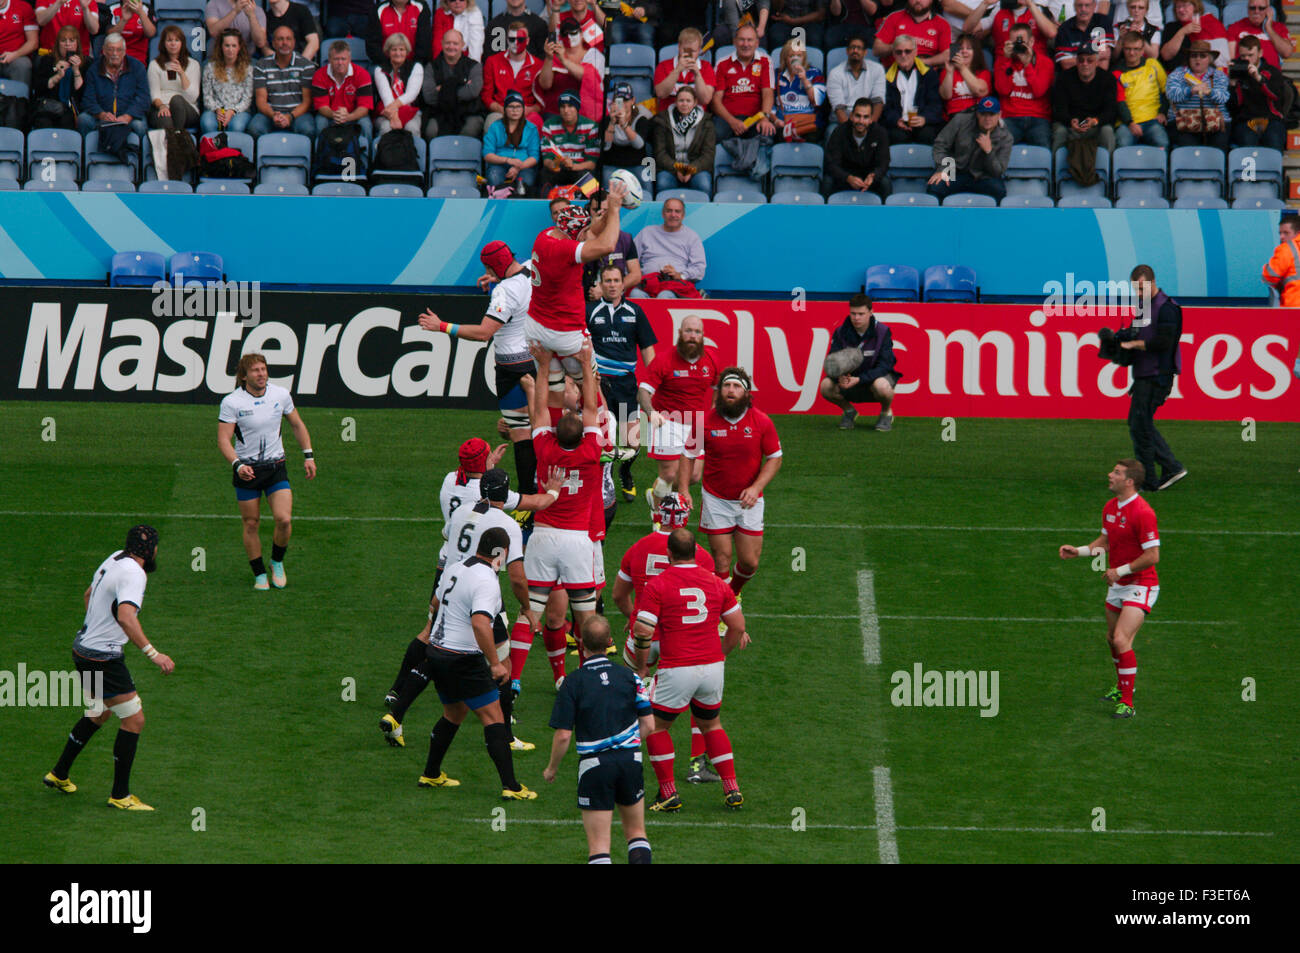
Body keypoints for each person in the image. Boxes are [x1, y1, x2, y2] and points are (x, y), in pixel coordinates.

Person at [390, 527, 539, 799]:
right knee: (493, 717)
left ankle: (431, 774)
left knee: (454, 713)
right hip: (462, 658)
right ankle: (511, 787)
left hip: (436, 652)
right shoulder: (487, 581)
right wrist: (495, 663)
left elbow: (435, 601)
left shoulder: (457, 566)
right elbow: (480, 622)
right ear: (499, 553)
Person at [43, 525, 174, 810]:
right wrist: (155, 654)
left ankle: (59, 773)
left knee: (100, 712)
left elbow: (89, 595)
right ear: (149, 550)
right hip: (103, 657)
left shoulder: (115, 558)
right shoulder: (135, 574)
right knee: (134, 720)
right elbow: (127, 617)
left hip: (83, 649)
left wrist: (97, 629)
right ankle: (120, 795)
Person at [632, 527, 750, 811]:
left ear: (668, 553)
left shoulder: (658, 585)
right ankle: (732, 788)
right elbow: (738, 626)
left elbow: (643, 629)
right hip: (711, 667)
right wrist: (721, 655)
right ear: (697, 552)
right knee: (712, 724)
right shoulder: (716, 583)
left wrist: (641, 666)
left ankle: (669, 793)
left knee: (657, 728)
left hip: (677, 668)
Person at [422, 241, 539, 494]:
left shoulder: (505, 291)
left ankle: (528, 500)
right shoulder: (531, 269)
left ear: (493, 265)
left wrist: (442, 326)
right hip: (537, 358)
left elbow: (484, 333)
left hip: (512, 367)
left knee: (521, 435)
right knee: (543, 428)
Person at [523, 342, 606, 688]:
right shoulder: (592, 445)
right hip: (580, 537)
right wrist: (587, 366)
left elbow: (541, 410)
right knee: (581, 612)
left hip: (547, 534)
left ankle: (512, 680)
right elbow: (589, 407)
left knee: (535, 611)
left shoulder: (543, 446)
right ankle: (586, 676)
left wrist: (542, 368)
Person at [543, 615, 654, 864]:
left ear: (582, 644)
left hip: (594, 766)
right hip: (630, 761)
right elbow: (649, 724)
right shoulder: (630, 677)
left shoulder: (572, 683)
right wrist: (627, 746)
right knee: (636, 833)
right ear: (610, 642)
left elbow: (563, 736)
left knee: (599, 846)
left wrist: (551, 768)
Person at [1058, 459, 1161, 719]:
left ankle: (1128, 703)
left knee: (1120, 639)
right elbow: (1104, 541)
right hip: (1117, 585)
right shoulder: (1111, 507)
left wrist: (1121, 570)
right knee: (1111, 638)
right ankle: (1120, 687)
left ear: (1129, 481)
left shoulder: (1143, 512)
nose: (1109, 475)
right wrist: (1079, 552)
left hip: (1141, 584)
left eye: (1116, 472)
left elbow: (1153, 555)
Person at [678, 365, 781, 602]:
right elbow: (688, 455)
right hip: (716, 499)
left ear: (746, 393)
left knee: (749, 562)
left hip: (749, 501)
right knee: (722, 558)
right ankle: (726, 606)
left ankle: (733, 592)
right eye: (726, 385)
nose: (730, 390)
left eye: (736, 386)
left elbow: (775, 458)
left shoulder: (762, 422)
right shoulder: (704, 422)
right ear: (719, 391)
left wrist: (756, 488)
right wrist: (684, 489)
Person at [217, 352, 317, 590]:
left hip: (275, 468)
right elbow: (223, 439)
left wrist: (308, 455)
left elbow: (296, 424)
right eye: (255, 371)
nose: (261, 374)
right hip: (247, 471)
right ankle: (259, 573)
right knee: (251, 523)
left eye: (263, 369)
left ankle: (277, 562)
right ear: (244, 376)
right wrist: (237, 465)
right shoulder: (232, 402)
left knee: (284, 519)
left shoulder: (280, 395)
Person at [526, 176, 627, 385]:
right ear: (574, 234)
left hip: (538, 324)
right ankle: (600, 416)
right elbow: (607, 245)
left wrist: (601, 219)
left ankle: (553, 418)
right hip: (566, 330)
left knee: (553, 390)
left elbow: (588, 233)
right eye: (582, 234)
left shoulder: (545, 236)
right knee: (591, 384)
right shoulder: (565, 250)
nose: (585, 237)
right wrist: (616, 210)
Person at [588, 264, 657, 502]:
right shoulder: (590, 311)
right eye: (607, 280)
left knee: (633, 442)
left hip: (627, 385)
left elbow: (648, 350)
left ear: (622, 283)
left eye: (616, 280)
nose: (612, 285)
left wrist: (654, 382)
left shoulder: (635, 311)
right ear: (601, 283)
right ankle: (599, 481)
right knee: (599, 438)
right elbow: (579, 346)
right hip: (599, 384)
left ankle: (625, 473)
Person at [637, 313, 719, 514]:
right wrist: (652, 413)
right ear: (680, 333)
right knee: (671, 474)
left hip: (696, 424)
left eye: (697, 332)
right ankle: (658, 516)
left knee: (692, 477)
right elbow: (643, 392)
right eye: (688, 331)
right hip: (667, 421)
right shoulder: (664, 360)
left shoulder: (711, 359)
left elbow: (718, 386)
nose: (692, 336)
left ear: (703, 336)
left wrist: (714, 412)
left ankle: (657, 492)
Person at [1122, 264, 1186, 493]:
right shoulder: (1144, 307)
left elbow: (1164, 343)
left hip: (1159, 375)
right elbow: (1134, 331)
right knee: (1139, 423)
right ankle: (1168, 468)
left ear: (1152, 282)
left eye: (1141, 288)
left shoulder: (1168, 309)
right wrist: (1121, 340)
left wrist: (1135, 344)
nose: (1138, 294)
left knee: (1140, 424)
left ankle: (1158, 474)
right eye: (1135, 289)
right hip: (1144, 374)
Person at [820, 293, 901, 430]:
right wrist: (840, 377)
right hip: (849, 381)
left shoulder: (882, 331)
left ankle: (886, 413)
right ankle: (849, 412)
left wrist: (860, 379)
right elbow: (833, 360)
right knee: (825, 386)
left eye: (861, 314)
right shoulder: (840, 332)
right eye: (853, 313)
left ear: (871, 312)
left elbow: (886, 365)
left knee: (882, 386)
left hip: (873, 381)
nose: (856, 318)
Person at [927, 92, 1011, 198]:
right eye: (983, 114)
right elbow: (941, 144)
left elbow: (998, 171)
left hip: (984, 176)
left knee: (999, 191)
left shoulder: (1005, 137)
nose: (987, 118)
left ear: (999, 115)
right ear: (977, 113)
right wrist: (943, 169)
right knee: (935, 186)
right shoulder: (961, 120)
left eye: (992, 114)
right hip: (955, 171)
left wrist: (989, 151)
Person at [630, 198, 707, 299]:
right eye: (669, 211)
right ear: (663, 214)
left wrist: (680, 275)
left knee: (664, 295)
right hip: (648, 283)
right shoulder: (647, 232)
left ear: (683, 215)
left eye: (677, 211)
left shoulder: (692, 237)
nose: (673, 215)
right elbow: (630, 259)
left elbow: (699, 269)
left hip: (675, 286)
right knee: (635, 294)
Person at [712, 22, 777, 141]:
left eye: (750, 40)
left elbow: (768, 93)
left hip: (755, 117)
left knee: (767, 134)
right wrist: (732, 121)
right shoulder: (722, 63)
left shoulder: (765, 61)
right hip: (728, 117)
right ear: (734, 42)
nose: (746, 44)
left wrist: (764, 118)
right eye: (741, 40)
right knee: (715, 134)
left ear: (757, 43)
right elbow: (716, 99)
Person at [993, 20, 1053, 147]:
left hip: (1038, 118)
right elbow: (1003, 90)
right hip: (1011, 117)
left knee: (1044, 149)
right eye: (1014, 43)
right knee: (999, 148)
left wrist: (1027, 65)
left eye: (1021, 42)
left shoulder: (1045, 62)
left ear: (1031, 42)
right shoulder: (1002, 61)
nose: (1018, 46)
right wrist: (1006, 61)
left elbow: (1039, 91)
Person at [249, 23, 315, 137]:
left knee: (307, 129)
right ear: (273, 43)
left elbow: (307, 102)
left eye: (288, 39)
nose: (285, 43)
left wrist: (290, 116)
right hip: (270, 113)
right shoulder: (261, 65)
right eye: (280, 39)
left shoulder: (306, 65)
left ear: (294, 42)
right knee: (255, 128)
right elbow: (261, 101)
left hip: (297, 114)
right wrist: (274, 115)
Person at [78, 31, 148, 136]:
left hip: (129, 116)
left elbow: (144, 98)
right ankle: (86, 151)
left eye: (119, 50)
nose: (115, 54)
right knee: (83, 119)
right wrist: (101, 114)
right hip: (102, 116)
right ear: (104, 51)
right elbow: (88, 99)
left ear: (124, 52)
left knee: (139, 126)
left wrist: (128, 116)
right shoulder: (93, 69)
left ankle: (134, 151)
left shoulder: (137, 67)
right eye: (110, 49)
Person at [1050, 46, 1118, 153]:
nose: (1085, 64)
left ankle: (1109, 168)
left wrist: (1095, 121)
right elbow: (1059, 109)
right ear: (1076, 62)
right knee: (1060, 131)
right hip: (1071, 124)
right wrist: (1070, 121)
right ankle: (1054, 167)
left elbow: (1111, 111)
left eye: (1089, 60)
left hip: (1096, 124)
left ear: (1096, 62)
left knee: (1107, 131)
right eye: (1081, 60)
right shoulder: (1064, 78)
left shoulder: (1108, 79)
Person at [1166, 39, 1229, 151]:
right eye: (1194, 56)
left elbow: (1223, 97)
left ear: (1209, 59)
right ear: (1189, 58)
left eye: (1202, 56)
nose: (1198, 59)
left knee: (1218, 148)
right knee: (1189, 149)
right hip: (1183, 122)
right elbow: (1171, 95)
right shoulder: (1177, 73)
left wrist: (1209, 91)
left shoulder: (1219, 75)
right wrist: (1191, 90)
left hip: (1214, 123)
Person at [824, 96, 892, 198]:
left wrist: (873, 176)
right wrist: (848, 178)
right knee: (827, 182)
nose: (861, 121)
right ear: (851, 116)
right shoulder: (839, 132)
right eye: (858, 116)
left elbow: (884, 163)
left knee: (885, 183)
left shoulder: (880, 133)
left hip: (868, 180)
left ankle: (886, 214)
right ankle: (826, 213)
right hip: (845, 178)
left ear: (871, 119)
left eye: (865, 117)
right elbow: (831, 164)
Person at [651, 85, 716, 191]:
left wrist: (690, 169)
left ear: (695, 102)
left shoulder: (707, 123)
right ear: (676, 102)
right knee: (663, 183)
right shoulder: (662, 120)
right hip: (670, 168)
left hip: (696, 169)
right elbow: (660, 153)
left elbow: (708, 155)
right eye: (681, 100)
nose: (684, 104)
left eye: (688, 100)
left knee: (703, 184)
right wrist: (678, 168)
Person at [881, 35, 944, 145]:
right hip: (897, 124)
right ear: (894, 54)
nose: (903, 55)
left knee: (927, 135)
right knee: (896, 137)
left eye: (907, 51)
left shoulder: (929, 74)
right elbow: (885, 106)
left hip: (923, 122)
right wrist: (896, 120)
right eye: (899, 52)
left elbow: (935, 104)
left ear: (915, 52)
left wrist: (924, 118)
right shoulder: (886, 76)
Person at [422, 26, 484, 138]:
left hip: (468, 113)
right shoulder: (431, 66)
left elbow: (473, 91)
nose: (451, 47)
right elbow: (429, 96)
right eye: (448, 43)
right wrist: (461, 87)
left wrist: (443, 90)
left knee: (470, 131)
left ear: (462, 45)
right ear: (441, 44)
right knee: (431, 131)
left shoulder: (474, 66)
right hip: (439, 113)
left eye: (455, 43)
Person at [537, 15, 603, 118]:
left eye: (573, 33)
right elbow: (545, 85)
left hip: (585, 113)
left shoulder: (593, 55)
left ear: (581, 35)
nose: (569, 37)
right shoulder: (555, 54)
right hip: (555, 112)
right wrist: (549, 58)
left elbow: (588, 77)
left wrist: (563, 60)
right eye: (565, 34)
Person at [481, 21, 543, 130]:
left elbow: (541, 101)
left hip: (526, 112)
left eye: (520, 40)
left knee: (536, 121)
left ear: (527, 41)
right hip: (500, 111)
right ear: (506, 40)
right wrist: (503, 110)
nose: (516, 43)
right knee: (491, 123)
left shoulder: (538, 65)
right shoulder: (493, 61)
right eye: (512, 39)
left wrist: (528, 110)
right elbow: (486, 96)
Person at [583, 188, 643, 299]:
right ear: (589, 211)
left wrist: (611, 288)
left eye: (606, 210)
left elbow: (636, 275)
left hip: (615, 298)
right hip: (585, 297)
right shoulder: (580, 237)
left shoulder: (625, 238)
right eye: (596, 209)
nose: (601, 213)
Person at [1228, 34, 1285, 151]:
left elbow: (1276, 96)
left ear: (1260, 53)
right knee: (1247, 144)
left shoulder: (1272, 71)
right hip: (1246, 120)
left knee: (1274, 140)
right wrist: (1232, 84)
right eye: (1243, 56)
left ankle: (1272, 169)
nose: (1247, 59)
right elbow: (1233, 107)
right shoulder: (1238, 73)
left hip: (1270, 120)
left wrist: (1259, 78)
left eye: (1250, 55)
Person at [1113, 29, 1169, 148]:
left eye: (1136, 49)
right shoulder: (1116, 72)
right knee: (1123, 144)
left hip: (1152, 120)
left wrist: (1163, 112)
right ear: (1123, 49)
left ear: (1142, 50)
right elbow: (1119, 102)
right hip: (1126, 123)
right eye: (1128, 49)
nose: (1132, 53)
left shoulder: (1153, 64)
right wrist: (1130, 123)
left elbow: (1166, 90)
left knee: (1162, 143)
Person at [311, 39, 374, 141]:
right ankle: (321, 154)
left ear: (349, 59)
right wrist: (335, 115)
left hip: (354, 115)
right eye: (336, 59)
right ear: (330, 59)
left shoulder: (362, 74)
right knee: (320, 122)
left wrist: (348, 117)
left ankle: (366, 156)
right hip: (330, 115)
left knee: (365, 124)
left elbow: (364, 107)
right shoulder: (319, 75)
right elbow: (321, 107)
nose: (340, 63)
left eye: (343, 59)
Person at [541, 88, 599, 191]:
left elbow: (592, 163)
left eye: (570, 106)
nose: (566, 110)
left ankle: (592, 204)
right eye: (562, 107)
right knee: (544, 175)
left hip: (580, 168)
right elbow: (547, 160)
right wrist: (556, 163)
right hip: (558, 168)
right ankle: (543, 205)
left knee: (592, 186)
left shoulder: (590, 126)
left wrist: (573, 166)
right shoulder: (549, 125)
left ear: (577, 107)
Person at [483, 89, 540, 193]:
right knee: (493, 176)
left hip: (524, 166)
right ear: (505, 109)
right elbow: (487, 154)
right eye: (511, 106)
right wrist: (507, 160)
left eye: (518, 106)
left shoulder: (531, 129)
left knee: (527, 181)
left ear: (523, 109)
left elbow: (534, 157)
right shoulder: (495, 127)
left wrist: (518, 167)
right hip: (499, 164)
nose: (515, 110)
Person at [146, 23, 199, 130]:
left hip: (187, 108)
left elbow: (192, 97)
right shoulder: (154, 65)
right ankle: (177, 139)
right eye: (169, 40)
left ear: (182, 43)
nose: (173, 44)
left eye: (177, 40)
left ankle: (175, 137)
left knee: (176, 100)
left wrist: (181, 73)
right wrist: (162, 106)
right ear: (164, 43)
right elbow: (154, 94)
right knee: (165, 119)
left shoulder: (193, 64)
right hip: (161, 107)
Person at [773, 37, 827, 142]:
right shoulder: (776, 75)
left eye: (799, 55)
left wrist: (805, 79)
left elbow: (817, 101)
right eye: (791, 56)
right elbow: (770, 103)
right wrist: (776, 121)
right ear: (785, 58)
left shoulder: (815, 73)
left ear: (804, 58)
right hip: (784, 123)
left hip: (808, 123)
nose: (795, 59)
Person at [32, 24, 86, 128]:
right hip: (49, 108)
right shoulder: (47, 61)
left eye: (71, 40)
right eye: (63, 41)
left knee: (67, 121)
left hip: (71, 111)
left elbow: (82, 94)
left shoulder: (85, 64)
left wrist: (76, 71)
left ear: (77, 44)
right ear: (58, 44)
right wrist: (56, 76)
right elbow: (38, 88)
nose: (67, 44)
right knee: (44, 122)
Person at [200, 28, 253, 134]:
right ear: (221, 47)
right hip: (215, 110)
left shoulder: (248, 69)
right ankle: (213, 150)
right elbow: (207, 96)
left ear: (239, 47)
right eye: (227, 45)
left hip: (239, 111)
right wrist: (218, 110)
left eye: (234, 46)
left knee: (236, 126)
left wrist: (232, 111)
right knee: (208, 124)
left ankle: (232, 150)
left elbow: (247, 98)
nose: (230, 49)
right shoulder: (210, 68)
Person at [652, 26, 715, 113]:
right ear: (679, 46)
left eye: (693, 51)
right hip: (668, 118)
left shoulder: (706, 67)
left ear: (699, 50)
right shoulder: (664, 66)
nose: (688, 55)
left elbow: (706, 100)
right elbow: (661, 94)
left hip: (697, 118)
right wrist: (677, 70)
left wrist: (697, 74)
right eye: (685, 50)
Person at [373, 31, 425, 137]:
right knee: (386, 127)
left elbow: (411, 94)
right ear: (388, 51)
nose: (398, 53)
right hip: (385, 112)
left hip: (410, 111)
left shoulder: (416, 67)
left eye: (401, 49)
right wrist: (395, 117)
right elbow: (386, 95)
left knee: (412, 128)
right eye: (394, 50)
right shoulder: (380, 69)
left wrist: (394, 113)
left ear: (407, 51)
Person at [598, 81, 652, 182]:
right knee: (606, 180)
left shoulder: (641, 119)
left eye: (626, 100)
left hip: (636, 164)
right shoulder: (607, 120)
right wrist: (612, 123)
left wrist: (624, 124)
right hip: (612, 164)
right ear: (614, 102)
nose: (623, 104)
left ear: (632, 100)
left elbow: (639, 145)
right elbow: (605, 147)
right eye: (619, 100)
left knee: (646, 181)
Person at [828, 33, 885, 126]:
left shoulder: (877, 69)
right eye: (852, 47)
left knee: (881, 134)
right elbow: (838, 108)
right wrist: (851, 132)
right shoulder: (835, 73)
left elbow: (878, 101)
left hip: (867, 119)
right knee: (832, 133)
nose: (855, 50)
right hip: (841, 121)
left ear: (865, 52)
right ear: (847, 51)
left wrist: (870, 126)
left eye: (859, 48)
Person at [875, 0, 951, 68]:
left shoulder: (942, 23)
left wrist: (922, 62)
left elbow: (948, 54)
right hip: (895, 72)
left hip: (926, 73)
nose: (918, 1)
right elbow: (876, 50)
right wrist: (897, 46)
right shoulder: (894, 17)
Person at [1160, 0, 1229, 70]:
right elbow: (1166, 55)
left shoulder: (1213, 24)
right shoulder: (1171, 27)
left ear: (1195, 7)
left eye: (1184, 6)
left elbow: (1220, 60)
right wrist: (1182, 32)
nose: (1181, 10)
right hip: (1176, 75)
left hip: (1204, 75)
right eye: (1178, 7)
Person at [1228, 0, 1293, 68]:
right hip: (1244, 73)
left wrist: (1269, 28)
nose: (1256, 11)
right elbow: (1230, 59)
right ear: (1247, 9)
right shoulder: (1235, 27)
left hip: (1270, 75)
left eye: (1261, 8)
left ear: (1268, 10)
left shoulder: (1279, 27)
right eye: (1252, 8)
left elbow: (1287, 53)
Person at [940, 31, 990, 119]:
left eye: (969, 48)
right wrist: (949, 72)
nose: (964, 51)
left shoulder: (982, 72)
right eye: (961, 48)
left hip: (976, 115)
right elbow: (946, 96)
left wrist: (962, 68)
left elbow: (979, 91)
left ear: (975, 53)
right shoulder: (947, 71)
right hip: (954, 117)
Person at [366, 0, 431, 67]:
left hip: (414, 66)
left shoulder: (421, 8)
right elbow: (372, 45)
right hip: (385, 66)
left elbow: (424, 44)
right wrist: (389, 66)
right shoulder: (378, 10)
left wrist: (412, 67)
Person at [1054, 0, 1113, 70]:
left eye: (1087, 5)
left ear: (1094, 6)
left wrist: (1076, 59)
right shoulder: (1064, 29)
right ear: (1074, 7)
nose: (1083, 9)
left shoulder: (1102, 21)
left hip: (1098, 77)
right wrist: (1093, 58)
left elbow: (1105, 58)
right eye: (1080, 5)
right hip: (1072, 77)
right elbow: (1065, 64)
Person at [1262, 214, 1300, 306]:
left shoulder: (1286, 248)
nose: (1281, 237)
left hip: (1294, 306)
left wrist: (1266, 267)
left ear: (1297, 233)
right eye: (1280, 233)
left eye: (1286, 233)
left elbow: (1269, 277)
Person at [103, 0, 153, 65]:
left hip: (138, 60)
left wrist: (141, 13)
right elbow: (110, 36)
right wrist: (124, 20)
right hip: (114, 58)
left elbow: (151, 33)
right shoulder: (112, 8)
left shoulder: (146, 9)